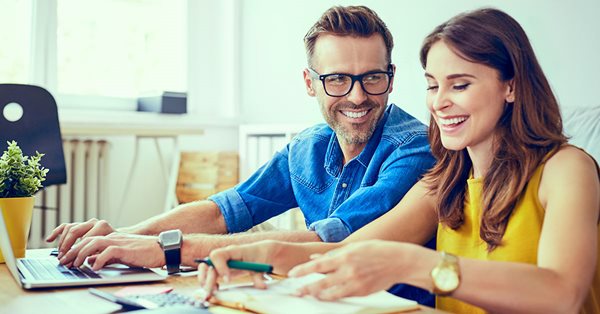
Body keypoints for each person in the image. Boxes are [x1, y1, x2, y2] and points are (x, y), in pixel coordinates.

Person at [198, 8, 600, 313]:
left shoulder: (566, 170)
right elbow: (352, 249)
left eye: (459, 85)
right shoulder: (445, 180)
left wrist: (414, 263)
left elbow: (561, 293)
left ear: (510, 86)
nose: (439, 102)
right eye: (432, 85)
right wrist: (261, 258)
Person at [45, 5, 435, 304]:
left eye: (372, 77)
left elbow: (331, 240)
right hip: (320, 301)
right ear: (310, 83)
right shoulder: (307, 146)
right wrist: (122, 235)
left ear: (391, 78)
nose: (357, 95)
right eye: (336, 79)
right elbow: (224, 211)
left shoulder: (414, 148)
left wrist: (165, 248)